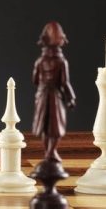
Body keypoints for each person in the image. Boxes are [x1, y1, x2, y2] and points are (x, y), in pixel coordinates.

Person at [32, 22, 76, 162]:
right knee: (56, 128)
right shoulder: (62, 62)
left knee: (45, 127)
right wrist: (71, 98)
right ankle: (51, 152)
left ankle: (49, 153)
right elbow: (65, 83)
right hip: (55, 97)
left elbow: (35, 80)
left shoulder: (39, 61)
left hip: (42, 95)